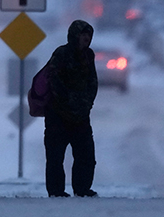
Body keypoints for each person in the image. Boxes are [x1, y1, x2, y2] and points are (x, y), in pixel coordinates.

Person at [44, 19, 98, 197]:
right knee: (55, 157)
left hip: (81, 116)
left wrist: (86, 103)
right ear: (74, 36)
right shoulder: (61, 54)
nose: (86, 39)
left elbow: (92, 82)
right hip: (58, 115)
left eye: (88, 35)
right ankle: (56, 191)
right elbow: (54, 80)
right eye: (83, 35)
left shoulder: (88, 56)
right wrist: (69, 100)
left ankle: (82, 189)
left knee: (86, 156)